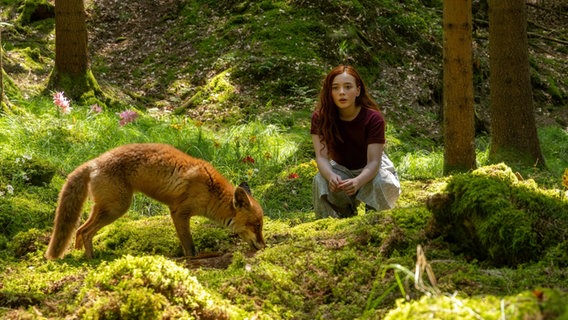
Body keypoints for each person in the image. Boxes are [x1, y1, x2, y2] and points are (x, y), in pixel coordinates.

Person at [310, 65, 401, 218]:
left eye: (348, 87)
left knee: (381, 182)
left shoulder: (373, 119)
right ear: (329, 92)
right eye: (335, 88)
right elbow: (322, 157)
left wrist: (358, 181)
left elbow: (373, 162)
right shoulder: (320, 118)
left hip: (373, 169)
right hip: (341, 168)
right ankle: (333, 222)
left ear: (358, 90)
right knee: (320, 179)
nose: (342, 93)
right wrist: (331, 176)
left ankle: (376, 218)